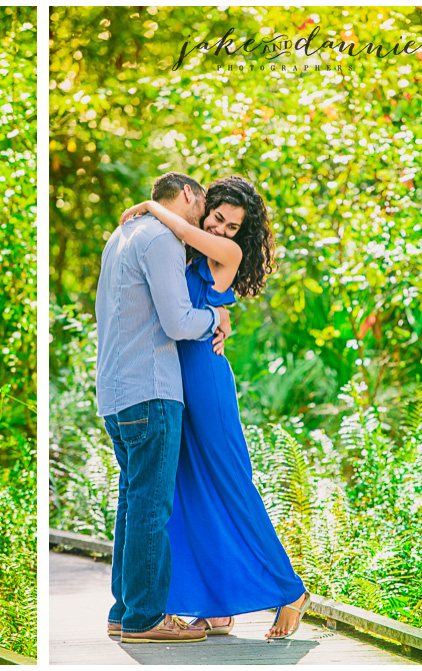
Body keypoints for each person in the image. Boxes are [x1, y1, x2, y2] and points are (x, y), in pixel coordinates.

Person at [118, 175, 311, 640]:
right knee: (190, 492)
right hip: (173, 379)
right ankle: (217, 607)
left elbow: (184, 232)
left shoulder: (226, 252)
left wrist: (150, 204)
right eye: (217, 218)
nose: (221, 230)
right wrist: (218, 314)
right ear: (206, 210)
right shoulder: (185, 252)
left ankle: (292, 591)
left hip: (206, 379)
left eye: (231, 226)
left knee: (230, 484)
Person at [95, 172, 231, 643]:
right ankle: (147, 618)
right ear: (188, 195)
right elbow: (176, 321)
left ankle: (125, 609)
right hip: (151, 389)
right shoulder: (162, 239)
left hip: (115, 392)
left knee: (133, 504)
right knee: (152, 505)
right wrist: (216, 317)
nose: (204, 220)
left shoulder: (122, 235)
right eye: (204, 206)